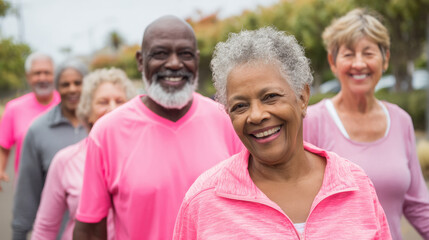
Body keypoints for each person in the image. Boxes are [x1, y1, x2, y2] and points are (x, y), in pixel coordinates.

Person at [173, 27, 392, 239]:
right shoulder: (203, 200)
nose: (256, 115)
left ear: (303, 97)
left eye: (270, 97)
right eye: (240, 106)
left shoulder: (355, 185)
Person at [73, 15, 242, 240]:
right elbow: (90, 230)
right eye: (161, 54)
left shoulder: (226, 120)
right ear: (141, 61)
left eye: (185, 54)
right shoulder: (106, 133)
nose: (174, 63)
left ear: (196, 59)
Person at [302, 9, 429, 239]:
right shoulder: (312, 121)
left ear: (385, 59)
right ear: (333, 61)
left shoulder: (401, 121)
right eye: (349, 54)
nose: (359, 64)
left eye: (368, 53)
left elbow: (418, 205)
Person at [31, 68, 136, 240]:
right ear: (88, 111)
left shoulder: (145, 158)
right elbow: (45, 229)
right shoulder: (65, 161)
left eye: (120, 101)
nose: (113, 109)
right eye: (103, 102)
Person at [12, 59, 88, 240]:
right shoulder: (38, 130)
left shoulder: (102, 125)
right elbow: (27, 190)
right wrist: (19, 233)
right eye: (65, 84)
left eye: (78, 83)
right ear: (57, 87)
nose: (72, 89)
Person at [0, 52, 60, 190]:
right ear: (28, 77)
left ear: (55, 75)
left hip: (65, 189)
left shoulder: (68, 106)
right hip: (28, 188)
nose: (42, 78)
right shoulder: (14, 108)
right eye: (37, 73)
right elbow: (3, 146)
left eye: (47, 73)